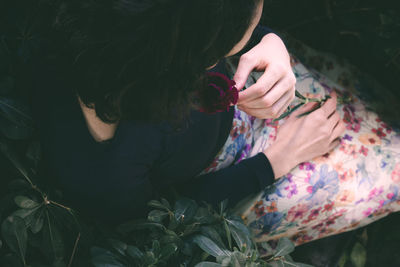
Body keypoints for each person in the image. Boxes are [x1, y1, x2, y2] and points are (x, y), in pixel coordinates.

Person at [31, 0, 400, 245]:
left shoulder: (137, 33)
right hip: (234, 178)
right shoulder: (105, 167)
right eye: (249, 20)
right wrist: (279, 159)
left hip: (237, 110)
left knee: (357, 101)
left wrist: (270, 43)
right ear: (201, 47)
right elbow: (160, 221)